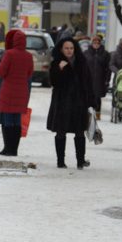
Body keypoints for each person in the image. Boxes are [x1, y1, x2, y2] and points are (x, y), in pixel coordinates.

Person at [46, 37, 97, 169]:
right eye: (66, 48)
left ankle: (80, 161)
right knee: (61, 132)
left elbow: (88, 82)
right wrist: (59, 69)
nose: (69, 51)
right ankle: (60, 161)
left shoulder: (81, 62)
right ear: (61, 49)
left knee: (79, 132)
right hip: (62, 102)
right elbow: (53, 82)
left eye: (71, 48)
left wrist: (91, 101)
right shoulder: (57, 62)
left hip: (79, 102)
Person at [0, 29, 34, 156]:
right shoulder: (28, 56)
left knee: (7, 120)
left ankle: (7, 148)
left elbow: (0, 72)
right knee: (17, 121)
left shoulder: (9, 54)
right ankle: (14, 149)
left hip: (8, 91)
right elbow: (30, 73)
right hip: (22, 92)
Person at [83, 35, 111, 120]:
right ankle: (87, 114)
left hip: (100, 78)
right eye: (94, 43)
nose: (96, 44)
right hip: (88, 78)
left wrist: (107, 79)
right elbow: (82, 66)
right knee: (87, 96)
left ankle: (98, 114)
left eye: (98, 43)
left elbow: (108, 68)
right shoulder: (86, 53)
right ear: (91, 43)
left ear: (100, 43)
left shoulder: (105, 54)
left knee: (97, 97)